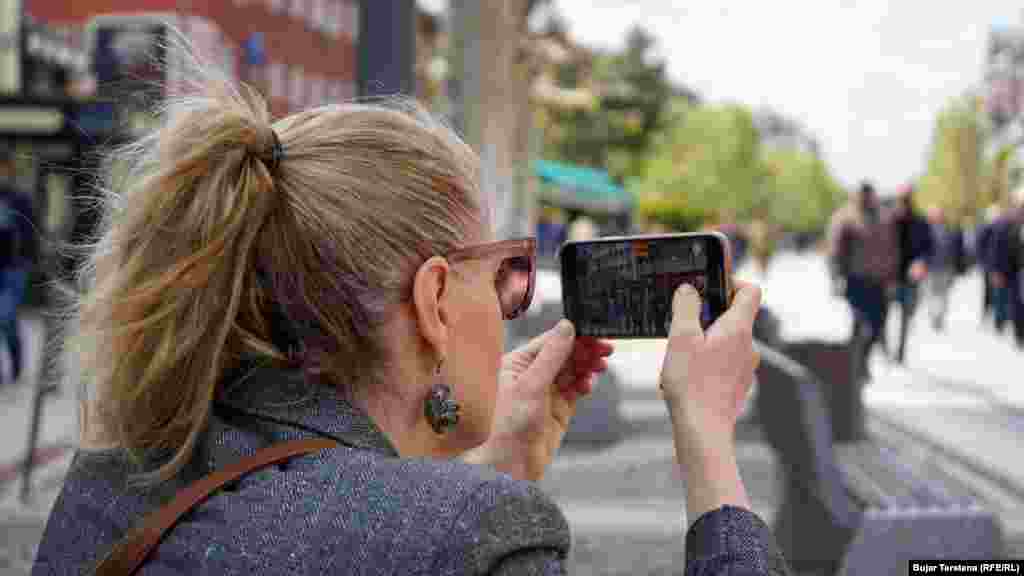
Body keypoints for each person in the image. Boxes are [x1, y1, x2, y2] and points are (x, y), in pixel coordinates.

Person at [33, 45, 790, 576]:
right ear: (432, 300)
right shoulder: (476, 534)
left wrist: (498, 471)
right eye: (505, 275)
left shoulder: (108, 485)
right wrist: (710, 448)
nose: (512, 308)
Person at [827, 181, 900, 378]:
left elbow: (892, 249)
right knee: (860, 323)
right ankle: (855, 365)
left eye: (870, 195)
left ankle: (861, 359)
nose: (868, 199)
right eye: (864, 195)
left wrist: (892, 277)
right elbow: (835, 252)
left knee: (878, 324)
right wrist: (836, 279)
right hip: (856, 280)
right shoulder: (846, 218)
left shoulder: (884, 218)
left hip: (879, 281)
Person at [889, 185, 933, 363]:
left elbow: (928, 247)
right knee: (886, 314)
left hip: (911, 277)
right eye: (902, 198)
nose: (904, 202)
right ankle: (887, 347)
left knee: (907, 313)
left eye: (907, 198)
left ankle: (900, 350)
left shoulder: (920, 222)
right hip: (890, 275)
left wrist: (922, 262)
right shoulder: (889, 220)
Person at [0, 149, 33, 386]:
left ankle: (16, 360)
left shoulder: (19, 200)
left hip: (13, 268)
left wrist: (29, 260)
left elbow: (31, 234)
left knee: (6, 316)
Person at [988, 185, 1024, 348]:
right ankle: (1019, 335)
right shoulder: (1006, 223)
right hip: (1013, 271)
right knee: (1016, 303)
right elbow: (997, 248)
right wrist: (996, 270)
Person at [924, 205, 963, 332]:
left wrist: (955, 267)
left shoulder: (948, 229)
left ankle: (939, 317)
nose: (937, 216)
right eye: (934, 214)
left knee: (943, 295)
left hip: (946, 267)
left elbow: (954, 249)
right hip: (930, 268)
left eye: (939, 214)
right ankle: (934, 316)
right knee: (931, 294)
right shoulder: (925, 230)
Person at [976, 205, 1006, 330]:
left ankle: (997, 317)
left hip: (997, 265)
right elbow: (980, 248)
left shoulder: (1002, 228)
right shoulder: (986, 229)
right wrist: (983, 263)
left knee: (996, 291)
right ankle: (989, 315)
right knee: (989, 291)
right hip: (989, 266)